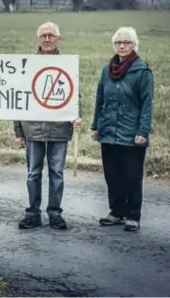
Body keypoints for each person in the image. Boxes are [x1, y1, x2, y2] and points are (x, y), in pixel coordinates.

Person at [15, 21, 82, 230]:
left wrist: (76, 116)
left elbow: (74, 96)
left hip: (59, 129)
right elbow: (18, 98)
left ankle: (55, 214)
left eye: (51, 35)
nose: (46, 39)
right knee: (33, 173)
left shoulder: (67, 65)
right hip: (32, 129)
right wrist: (18, 131)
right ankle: (32, 213)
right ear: (38, 39)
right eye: (43, 35)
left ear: (58, 39)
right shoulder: (28, 65)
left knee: (57, 173)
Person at [90, 26, 154, 232]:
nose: (122, 46)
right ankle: (117, 212)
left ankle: (133, 215)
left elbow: (147, 104)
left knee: (132, 176)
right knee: (112, 175)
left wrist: (143, 132)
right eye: (118, 42)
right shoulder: (106, 70)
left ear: (134, 45)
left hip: (131, 134)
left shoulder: (142, 71)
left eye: (127, 42)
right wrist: (95, 126)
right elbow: (100, 99)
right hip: (108, 132)